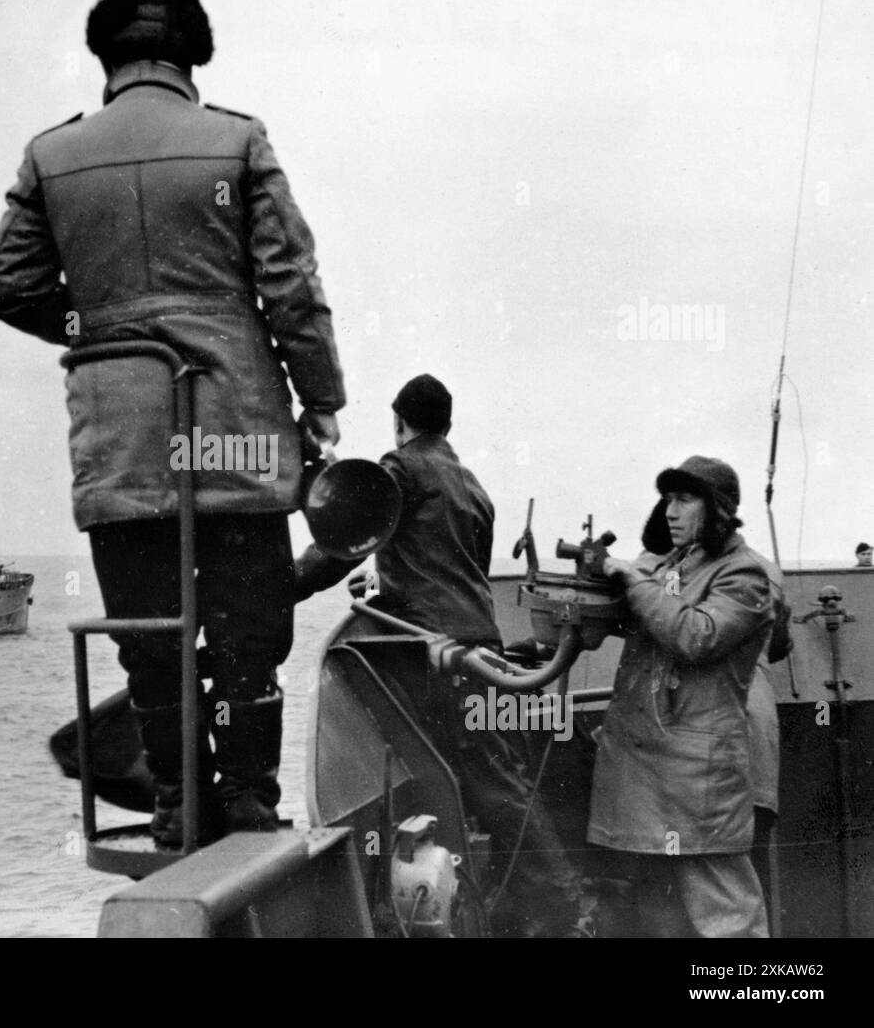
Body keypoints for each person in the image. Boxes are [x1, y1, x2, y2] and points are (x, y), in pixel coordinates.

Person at [0, 0, 345, 847]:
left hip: (122, 449)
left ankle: (179, 809)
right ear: (194, 56)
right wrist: (321, 403)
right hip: (241, 442)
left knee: (149, 641)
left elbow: (8, 284)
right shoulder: (237, 140)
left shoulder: (51, 156)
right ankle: (252, 804)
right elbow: (292, 285)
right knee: (250, 638)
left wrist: (95, 326)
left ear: (104, 57)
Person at [293, 374, 593, 937]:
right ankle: (528, 904)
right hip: (480, 648)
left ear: (399, 421)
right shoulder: (474, 486)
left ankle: (562, 908)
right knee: (498, 775)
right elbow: (457, 572)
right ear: (446, 424)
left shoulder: (400, 470)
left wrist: (286, 585)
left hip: (434, 655)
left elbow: (343, 539)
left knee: (492, 784)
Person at [592, 456, 777, 937]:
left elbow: (697, 635)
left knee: (729, 922)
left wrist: (633, 580)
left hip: (697, 780)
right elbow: (643, 615)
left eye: (684, 499)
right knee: (661, 917)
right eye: (667, 500)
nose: (670, 512)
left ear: (717, 510)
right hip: (651, 774)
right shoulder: (670, 568)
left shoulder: (745, 575)